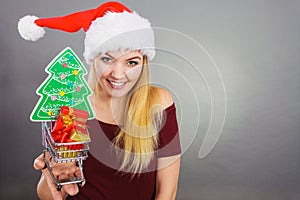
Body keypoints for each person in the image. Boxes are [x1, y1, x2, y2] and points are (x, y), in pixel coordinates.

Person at [18, 2, 181, 200]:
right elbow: (47, 195)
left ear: (143, 63)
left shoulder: (160, 102)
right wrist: (50, 176)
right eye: (107, 59)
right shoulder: (71, 108)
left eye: (131, 62)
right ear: (93, 58)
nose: (118, 74)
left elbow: (167, 192)